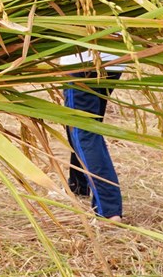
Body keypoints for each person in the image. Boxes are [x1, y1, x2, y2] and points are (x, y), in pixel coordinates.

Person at [61, 52, 125, 222]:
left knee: (84, 132)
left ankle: (108, 209)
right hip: (114, 60)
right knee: (84, 125)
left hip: (82, 62)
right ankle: (78, 186)